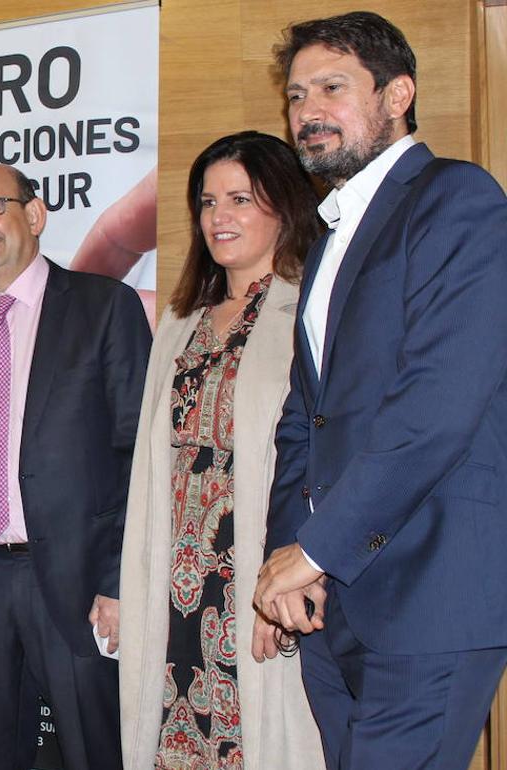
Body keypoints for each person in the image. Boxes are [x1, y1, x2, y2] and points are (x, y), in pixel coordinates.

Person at [253, 12, 507, 770]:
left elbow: (438, 405)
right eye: (297, 96)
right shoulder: (331, 237)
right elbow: (306, 420)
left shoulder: (456, 198)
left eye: (332, 87)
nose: (307, 112)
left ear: (398, 95)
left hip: (432, 591)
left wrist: (317, 549)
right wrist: (283, 561)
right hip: (335, 604)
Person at [0, 163, 151, 770]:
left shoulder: (104, 306)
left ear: (35, 215)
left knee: (96, 753)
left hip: (77, 580)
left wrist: (121, 582)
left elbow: (139, 455)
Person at [117, 131, 323, 770]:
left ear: (283, 207)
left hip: (260, 571)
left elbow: (321, 458)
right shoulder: (181, 321)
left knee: (264, 739)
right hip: (176, 574)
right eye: (208, 202)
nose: (219, 218)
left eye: (240, 199)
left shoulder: (309, 313)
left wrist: (285, 582)